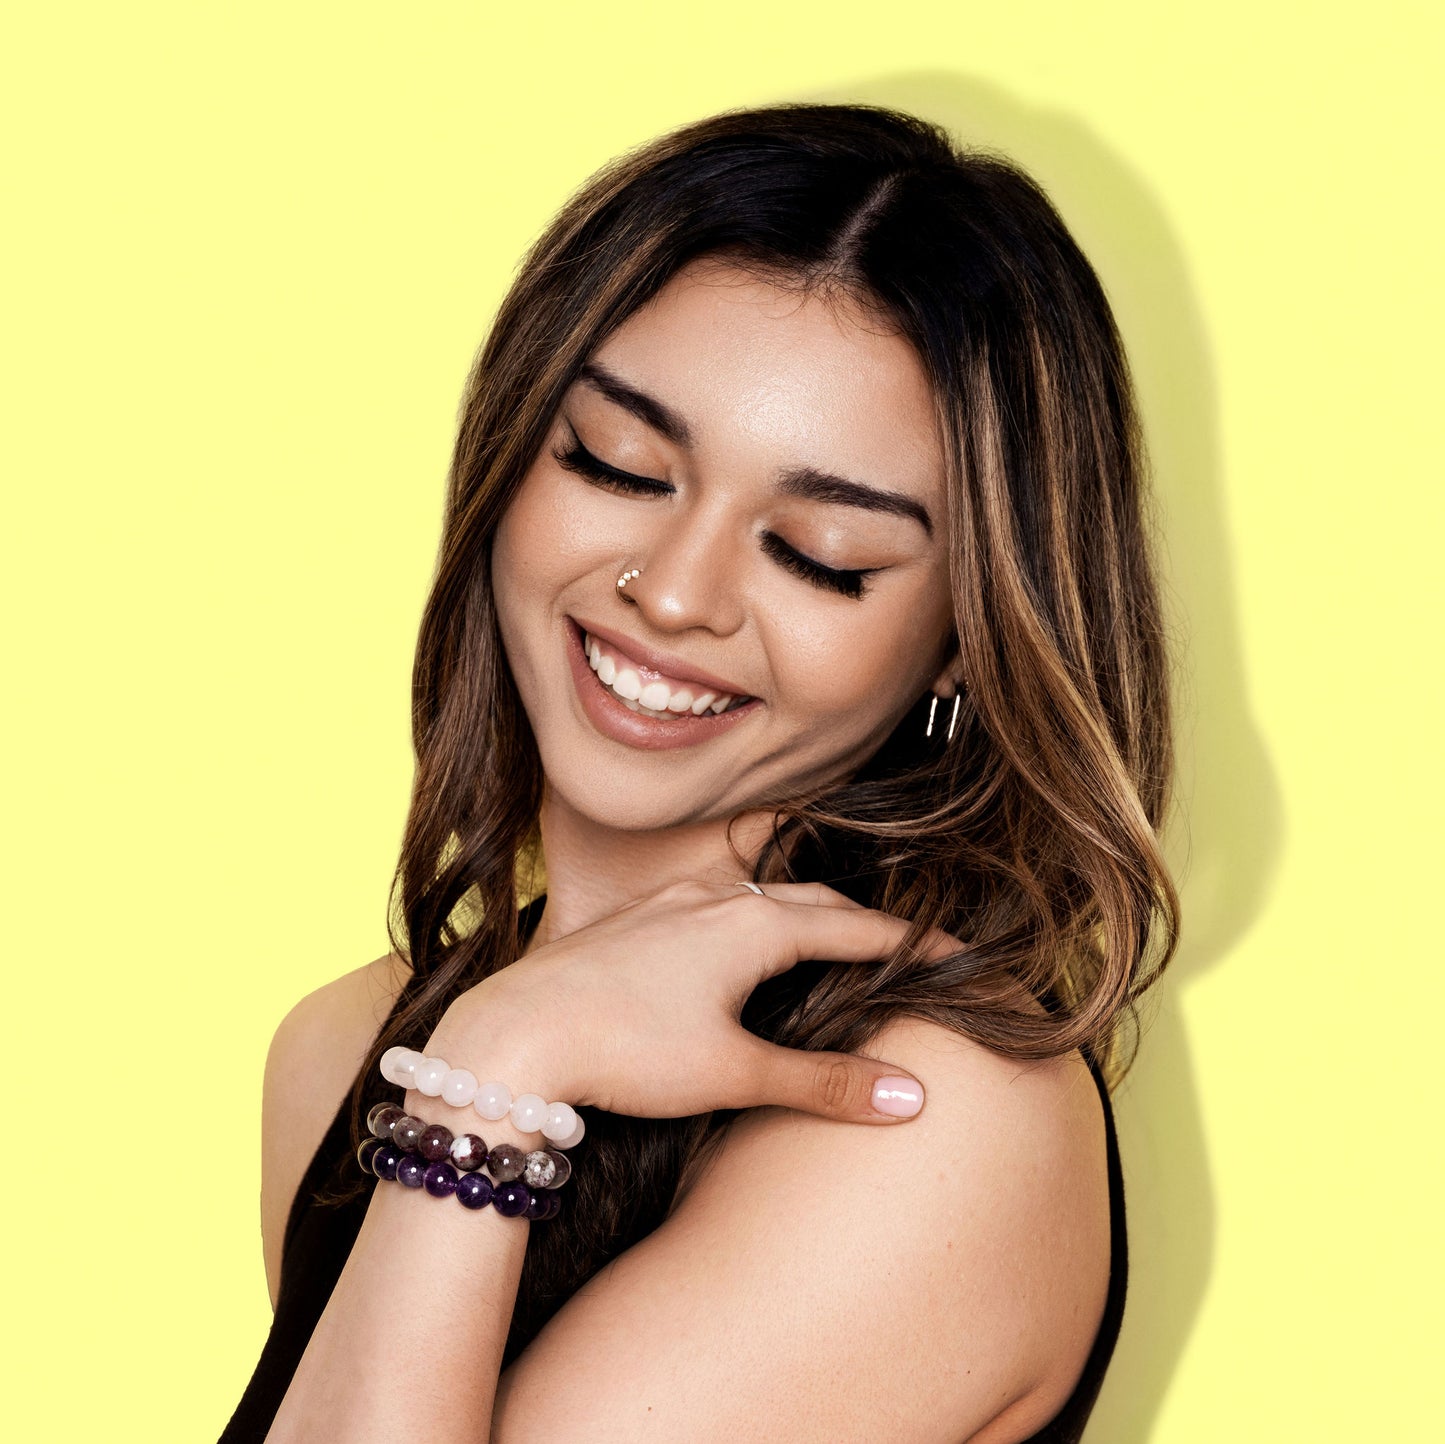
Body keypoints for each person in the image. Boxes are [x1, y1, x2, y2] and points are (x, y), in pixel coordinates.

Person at [222, 101, 1179, 1444]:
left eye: (821, 553)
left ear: (964, 642)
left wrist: (498, 1075)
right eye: (615, 464)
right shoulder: (347, 1048)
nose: (671, 594)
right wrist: (488, 1061)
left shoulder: (930, 1116)